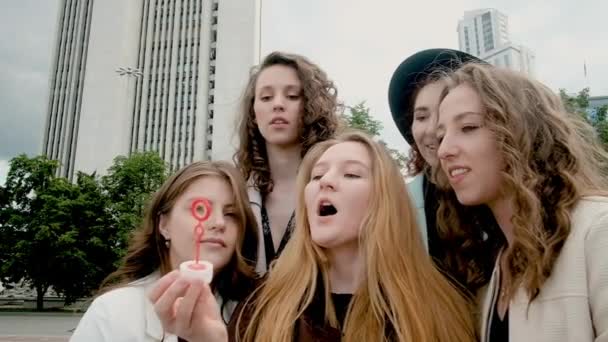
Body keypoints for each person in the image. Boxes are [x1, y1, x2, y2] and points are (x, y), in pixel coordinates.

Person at [149, 130, 477, 342]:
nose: (325, 182)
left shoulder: (440, 308)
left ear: (386, 200)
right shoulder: (262, 305)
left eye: (351, 174)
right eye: (317, 175)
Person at [435, 63, 608, 341]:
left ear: (522, 132)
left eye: (468, 127)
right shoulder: (498, 264)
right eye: (440, 136)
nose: (444, 150)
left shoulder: (598, 229)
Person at [70, 161, 259, 342]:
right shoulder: (111, 312)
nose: (219, 222)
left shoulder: (256, 313)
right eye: (201, 208)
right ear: (164, 224)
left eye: (231, 214)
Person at [388, 48, 499, 294]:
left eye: (465, 124)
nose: (434, 130)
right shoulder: (400, 204)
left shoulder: (508, 198)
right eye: (421, 116)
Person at [234, 51, 341, 274]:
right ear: (253, 112)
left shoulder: (339, 186)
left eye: (292, 96)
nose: (278, 105)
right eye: (266, 97)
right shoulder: (235, 192)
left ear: (313, 106)